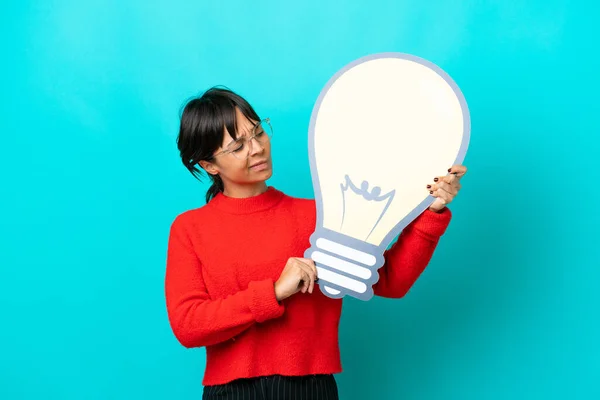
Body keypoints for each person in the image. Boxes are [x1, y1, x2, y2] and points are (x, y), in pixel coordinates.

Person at [165, 87, 467, 399]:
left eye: (258, 132)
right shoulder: (190, 228)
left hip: (309, 388)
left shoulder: (322, 215)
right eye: (238, 146)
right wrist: (274, 292)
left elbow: (391, 281)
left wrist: (432, 213)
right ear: (209, 165)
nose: (256, 149)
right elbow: (188, 325)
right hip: (228, 393)